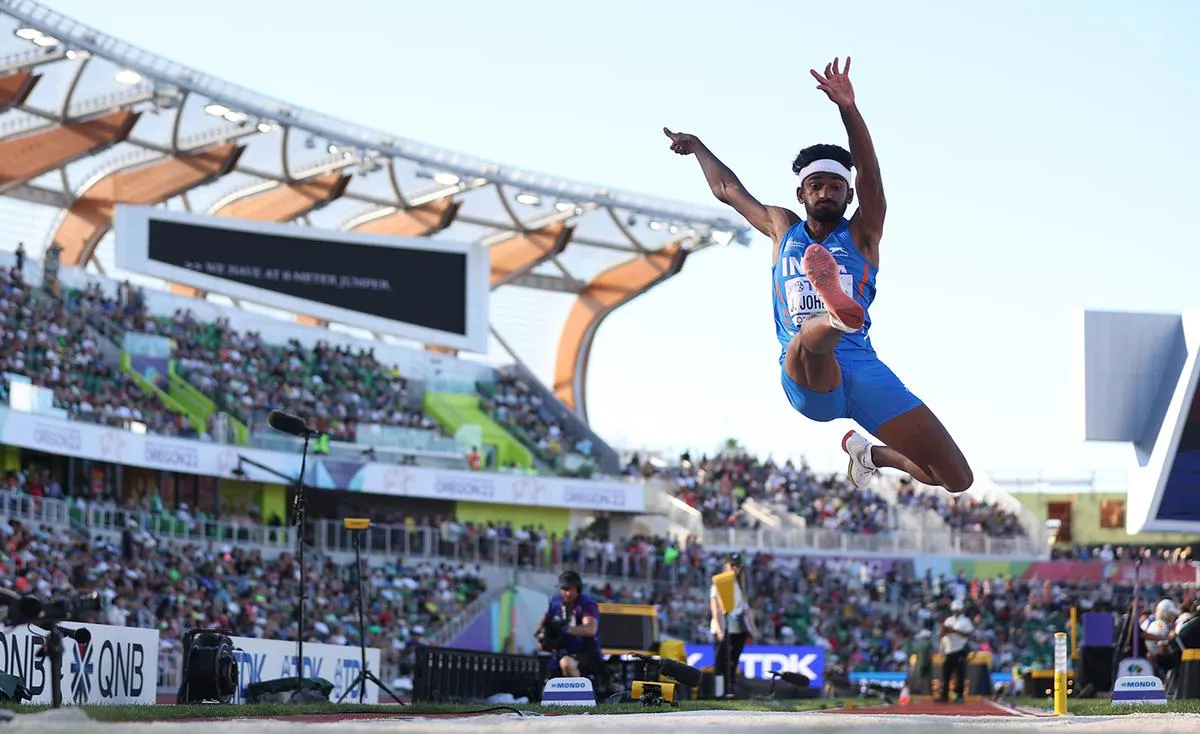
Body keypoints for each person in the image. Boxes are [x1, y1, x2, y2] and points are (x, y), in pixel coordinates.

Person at [664, 56, 973, 494]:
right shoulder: (781, 227)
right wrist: (698, 148)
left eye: (836, 186)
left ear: (848, 194)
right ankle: (833, 316)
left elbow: (872, 177)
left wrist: (848, 107)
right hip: (808, 375)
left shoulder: (863, 233)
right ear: (801, 193)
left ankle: (867, 454)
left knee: (954, 479)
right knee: (810, 336)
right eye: (817, 186)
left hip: (864, 371)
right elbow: (727, 190)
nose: (826, 192)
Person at [537, 570, 602, 679]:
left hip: (585, 653)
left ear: (578, 588)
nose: (567, 593)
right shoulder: (556, 602)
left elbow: (590, 629)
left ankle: (580, 693)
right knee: (548, 685)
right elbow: (544, 623)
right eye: (564, 589)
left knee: (566, 664)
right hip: (560, 652)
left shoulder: (587, 604)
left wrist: (565, 629)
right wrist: (541, 636)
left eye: (570, 589)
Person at [710, 553, 757, 697]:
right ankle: (719, 691)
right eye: (732, 565)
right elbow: (716, 607)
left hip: (739, 627)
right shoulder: (720, 582)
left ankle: (730, 690)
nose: (735, 568)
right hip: (725, 626)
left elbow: (746, 608)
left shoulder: (739, 585)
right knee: (721, 661)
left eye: (737, 566)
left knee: (733, 660)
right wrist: (719, 628)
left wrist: (753, 628)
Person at [938, 598, 974, 702]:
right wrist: (945, 630)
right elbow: (942, 633)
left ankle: (960, 695)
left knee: (960, 674)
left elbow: (968, 634)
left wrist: (954, 631)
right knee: (946, 673)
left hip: (959, 649)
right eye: (954, 610)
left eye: (957, 610)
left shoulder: (965, 621)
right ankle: (944, 695)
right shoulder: (949, 620)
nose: (956, 612)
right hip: (948, 650)